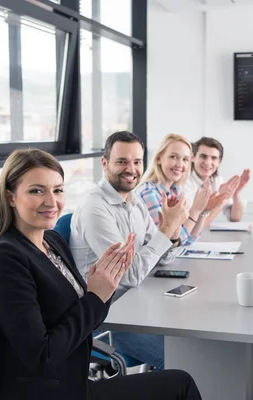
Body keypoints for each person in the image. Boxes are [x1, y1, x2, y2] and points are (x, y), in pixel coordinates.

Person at [0, 148, 202, 400]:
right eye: (36, 190)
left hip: (74, 383)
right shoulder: (5, 258)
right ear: (11, 197)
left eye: (58, 190)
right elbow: (42, 356)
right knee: (181, 384)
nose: (51, 202)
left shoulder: (51, 242)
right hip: (50, 392)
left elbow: (85, 318)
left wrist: (105, 286)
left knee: (180, 381)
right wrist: (95, 296)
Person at [71, 131, 189, 370]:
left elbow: (162, 258)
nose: (132, 169)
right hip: (112, 320)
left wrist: (173, 232)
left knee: (195, 342)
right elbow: (130, 275)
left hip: (140, 305)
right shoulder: (95, 208)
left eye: (137, 162)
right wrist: (166, 229)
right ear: (105, 163)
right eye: (122, 161)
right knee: (187, 359)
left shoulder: (133, 201)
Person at [136, 133, 231, 245]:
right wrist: (195, 211)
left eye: (185, 159)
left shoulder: (175, 191)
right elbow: (166, 246)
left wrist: (202, 212)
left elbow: (188, 239)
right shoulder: (149, 193)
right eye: (173, 157)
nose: (180, 164)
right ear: (158, 159)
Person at [182, 137, 249, 222]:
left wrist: (235, 193)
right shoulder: (184, 182)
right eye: (203, 156)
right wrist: (222, 200)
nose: (207, 163)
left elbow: (235, 218)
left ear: (219, 162)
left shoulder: (217, 180)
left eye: (213, 158)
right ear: (193, 157)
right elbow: (192, 223)